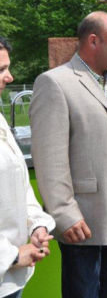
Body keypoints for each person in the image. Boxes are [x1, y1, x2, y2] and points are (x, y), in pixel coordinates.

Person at [29, 11, 107, 298]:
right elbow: (50, 159)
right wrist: (64, 213)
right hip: (82, 220)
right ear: (93, 40)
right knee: (83, 292)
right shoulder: (55, 83)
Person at [0, 36, 55, 298]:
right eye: (1, 70)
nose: (9, 77)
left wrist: (36, 225)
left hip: (11, 278)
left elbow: (19, 185)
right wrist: (10, 255)